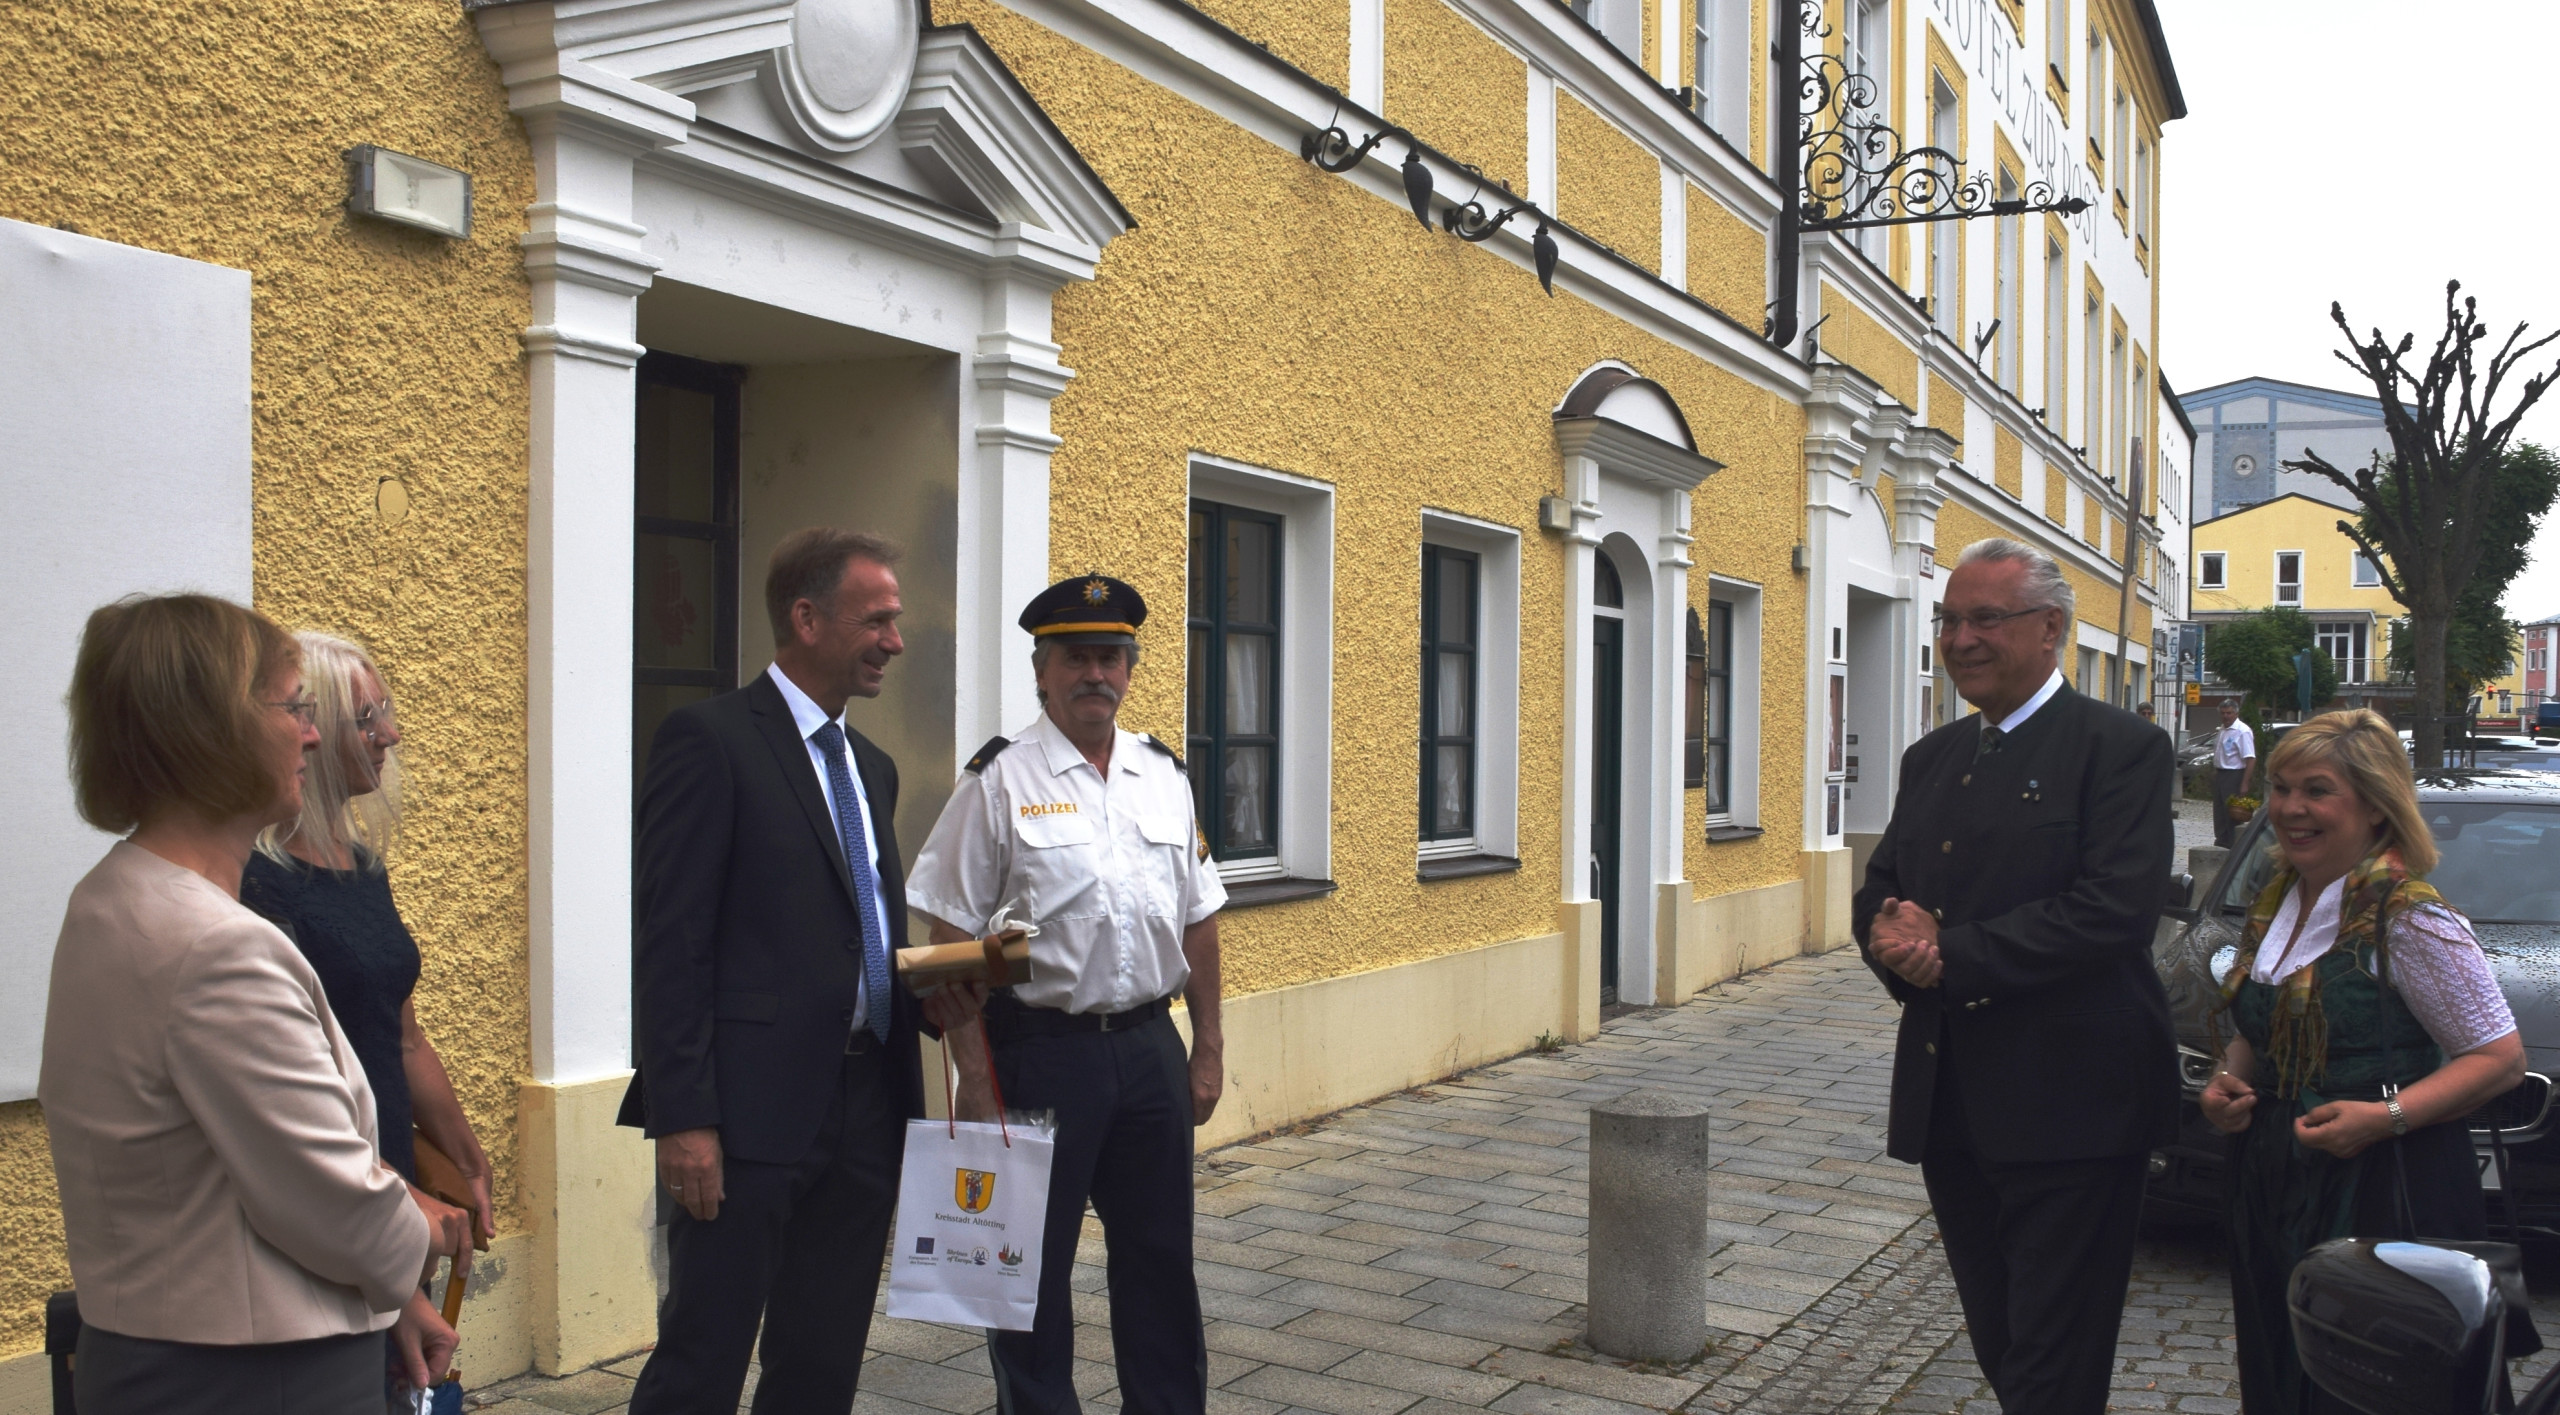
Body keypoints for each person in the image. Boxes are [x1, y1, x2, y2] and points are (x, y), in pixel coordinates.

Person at [42, 593, 452, 1412]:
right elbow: (329, 1199)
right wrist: (425, 1231)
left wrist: (387, 1296)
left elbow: (227, 1174)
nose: (312, 735)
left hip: (164, 1351)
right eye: (295, 708)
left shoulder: (111, 897)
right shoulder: (216, 947)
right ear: (213, 732)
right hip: (259, 1375)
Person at [621, 529, 947, 1415]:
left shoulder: (870, 767)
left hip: (867, 1109)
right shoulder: (710, 741)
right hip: (746, 1118)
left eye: (896, 621)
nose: (895, 641)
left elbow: (855, 931)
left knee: (820, 1364)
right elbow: (672, 944)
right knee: (702, 1361)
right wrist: (684, 1116)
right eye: (876, 620)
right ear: (805, 618)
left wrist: (934, 991)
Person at [1853, 539, 2178, 1415]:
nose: (1961, 638)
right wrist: (1894, 943)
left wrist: (1951, 953)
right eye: (1950, 619)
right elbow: (1882, 891)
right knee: (2002, 1340)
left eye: (1986, 618)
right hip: (1952, 1103)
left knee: (2052, 1357)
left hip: (2074, 1106)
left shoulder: (2122, 748)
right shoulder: (1933, 756)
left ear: (2050, 629)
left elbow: (2114, 912)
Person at [909, 574, 1226, 1415]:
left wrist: (1208, 1047)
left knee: (1161, 1260)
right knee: (1026, 1273)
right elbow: (945, 930)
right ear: (1041, 671)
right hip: (1039, 1053)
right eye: (1077, 657)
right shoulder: (999, 780)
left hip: (1149, 1050)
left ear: (1130, 668)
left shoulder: (1163, 774)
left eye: (1111, 657)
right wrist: (973, 1078)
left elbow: (1199, 918)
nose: (1096, 673)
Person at [2198, 709, 2525, 1413]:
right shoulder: (2278, 900)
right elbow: (2267, 1025)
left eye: (2317, 790)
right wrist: (2231, 1078)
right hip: (2275, 1180)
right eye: (2282, 788)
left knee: (2367, 1381)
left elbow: (2499, 1058)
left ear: (2376, 804)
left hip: (2379, 1186)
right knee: (2284, 1363)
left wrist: (2383, 1117)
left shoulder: (2410, 918)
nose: (2291, 808)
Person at [241, 632, 494, 1249]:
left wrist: (467, 1162)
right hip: (328, 1186)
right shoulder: (257, 880)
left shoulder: (361, 865)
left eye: (385, 712)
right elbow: (281, 1086)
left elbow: (403, 1036)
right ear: (311, 731)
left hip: (390, 1174)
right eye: (364, 719)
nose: (390, 735)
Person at [2212, 698, 2258, 848]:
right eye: (2223, 713)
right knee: (2219, 813)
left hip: (2234, 775)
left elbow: (2250, 758)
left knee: (2232, 814)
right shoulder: (2222, 730)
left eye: (2229, 713)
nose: (2226, 716)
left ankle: (2233, 845)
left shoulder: (2242, 731)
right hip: (2221, 774)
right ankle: (2221, 842)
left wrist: (2245, 783)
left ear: (2236, 713)